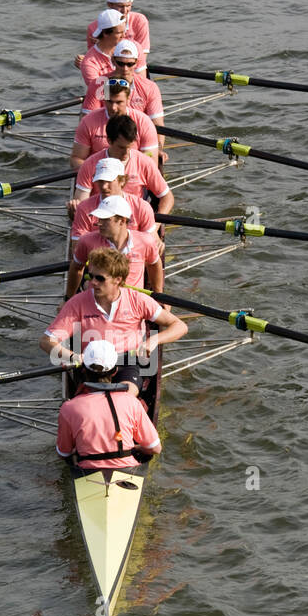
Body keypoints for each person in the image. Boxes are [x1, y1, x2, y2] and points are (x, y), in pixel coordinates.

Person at [40, 246, 186, 397]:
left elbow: (179, 326)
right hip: (91, 364)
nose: (93, 283)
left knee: (125, 397)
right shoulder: (77, 303)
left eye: (100, 278)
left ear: (118, 279)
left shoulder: (137, 300)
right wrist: (72, 356)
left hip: (128, 362)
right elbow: (46, 341)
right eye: (91, 276)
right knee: (95, 402)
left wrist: (154, 340)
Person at [56, 339, 161, 472]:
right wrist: (136, 448)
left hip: (87, 470)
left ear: (83, 370)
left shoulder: (68, 407)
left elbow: (63, 453)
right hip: (127, 468)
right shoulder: (131, 401)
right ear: (114, 371)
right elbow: (155, 448)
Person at [69, 114, 171, 218]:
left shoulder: (145, 163)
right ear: (109, 141)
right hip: (100, 221)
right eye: (121, 147)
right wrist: (75, 213)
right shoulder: (90, 165)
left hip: (134, 221)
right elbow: (82, 203)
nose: (126, 153)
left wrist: (156, 225)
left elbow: (167, 197)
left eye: (129, 146)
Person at [66, 195, 162, 298]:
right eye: (99, 219)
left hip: (133, 304)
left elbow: (154, 265)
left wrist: (159, 297)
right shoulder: (86, 241)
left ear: (122, 220)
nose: (99, 224)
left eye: (105, 219)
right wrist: (68, 299)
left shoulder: (145, 241)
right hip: (97, 302)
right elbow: (76, 268)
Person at [70, 77, 159, 168]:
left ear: (128, 99)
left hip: (133, 175)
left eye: (119, 102)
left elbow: (150, 161)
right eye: (109, 102)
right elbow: (77, 159)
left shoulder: (144, 122)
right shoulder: (88, 121)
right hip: (99, 175)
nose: (113, 108)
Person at [69, 157, 156, 239]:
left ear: (122, 181)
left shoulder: (142, 207)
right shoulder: (84, 208)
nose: (104, 186)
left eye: (109, 181)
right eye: (100, 181)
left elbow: (150, 244)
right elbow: (77, 248)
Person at [75, 0, 151, 73]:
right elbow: (95, 55)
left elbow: (142, 56)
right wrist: (85, 63)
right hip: (106, 71)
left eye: (128, 6)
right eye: (120, 6)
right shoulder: (92, 28)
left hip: (132, 68)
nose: (125, 10)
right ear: (109, 4)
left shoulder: (140, 20)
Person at [80, 9, 125, 91]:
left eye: (124, 31)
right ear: (106, 33)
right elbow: (101, 93)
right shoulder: (89, 63)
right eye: (119, 33)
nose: (124, 35)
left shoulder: (130, 48)